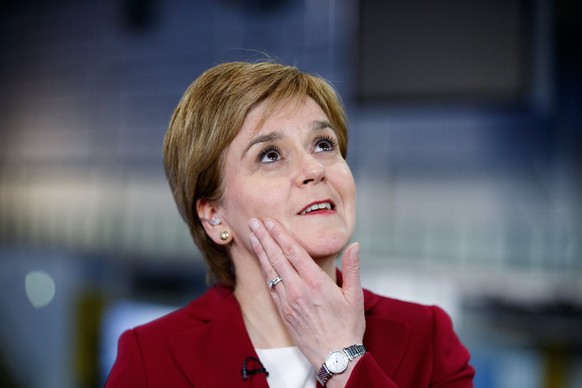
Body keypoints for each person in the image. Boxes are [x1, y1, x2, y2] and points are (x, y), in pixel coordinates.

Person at [106, 61, 475, 387]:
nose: (314, 169)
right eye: (270, 155)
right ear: (214, 215)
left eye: (324, 144)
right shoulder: (149, 359)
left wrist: (343, 361)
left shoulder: (427, 336)